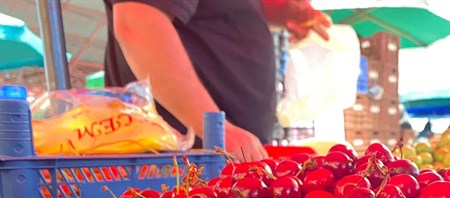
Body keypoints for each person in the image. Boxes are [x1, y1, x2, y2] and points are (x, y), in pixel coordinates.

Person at [103, 0, 331, 161]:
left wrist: (279, 10)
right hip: (180, 167)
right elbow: (138, 23)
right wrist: (215, 129)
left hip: (219, 161)